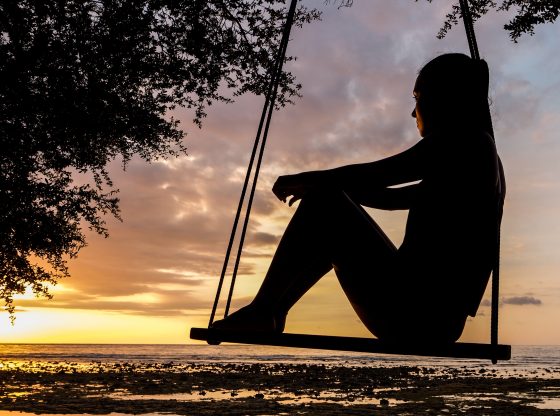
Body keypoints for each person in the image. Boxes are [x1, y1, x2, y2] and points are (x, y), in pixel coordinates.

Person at [212, 53, 505, 344]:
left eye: (418, 97)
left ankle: (265, 311)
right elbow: (390, 197)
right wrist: (327, 188)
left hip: (415, 313)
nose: (413, 113)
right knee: (328, 204)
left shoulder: (466, 143)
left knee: (324, 202)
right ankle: (271, 312)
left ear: (444, 98)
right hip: (433, 319)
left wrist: (313, 181)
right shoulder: (474, 158)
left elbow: (384, 172)